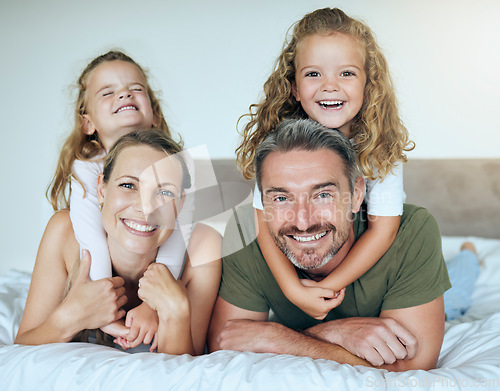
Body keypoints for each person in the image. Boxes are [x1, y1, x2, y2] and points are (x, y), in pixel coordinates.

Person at [208, 119, 451, 371]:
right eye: (281, 198)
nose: (302, 222)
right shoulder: (246, 229)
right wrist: (336, 333)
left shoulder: (412, 230)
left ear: (357, 196)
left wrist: (277, 336)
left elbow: (411, 368)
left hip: (419, 288)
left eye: (322, 195)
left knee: (461, 288)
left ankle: (468, 252)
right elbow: (225, 346)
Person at [235, 7, 414, 320]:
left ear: (368, 85)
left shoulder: (380, 147)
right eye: (314, 73)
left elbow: (382, 232)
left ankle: (466, 254)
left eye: (346, 73)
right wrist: (294, 291)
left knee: (455, 300)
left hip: (369, 262)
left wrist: (326, 288)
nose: (330, 86)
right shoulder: (281, 147)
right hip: (311, 267)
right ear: (294, 87)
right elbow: (263, 224)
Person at [16, 130, 221, 355]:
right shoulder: (64, 232)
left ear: (180, 205)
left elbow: (183, 377)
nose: (145, 207)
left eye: (164, 191)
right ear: (101, 190)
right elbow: (20, 350)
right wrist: (71, 316)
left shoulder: (203, 246)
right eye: (128, 185)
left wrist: (176, 310)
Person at [46, 50, 194, 347]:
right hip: (102, 293)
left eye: (136, 88)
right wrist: (103, 305)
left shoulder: (181, 167)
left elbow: (178, 233)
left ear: (155, 114)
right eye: (108, 92)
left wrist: (155, 303)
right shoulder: (86, 170)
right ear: (87, 123)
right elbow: (89, 236)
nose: (125, 95)